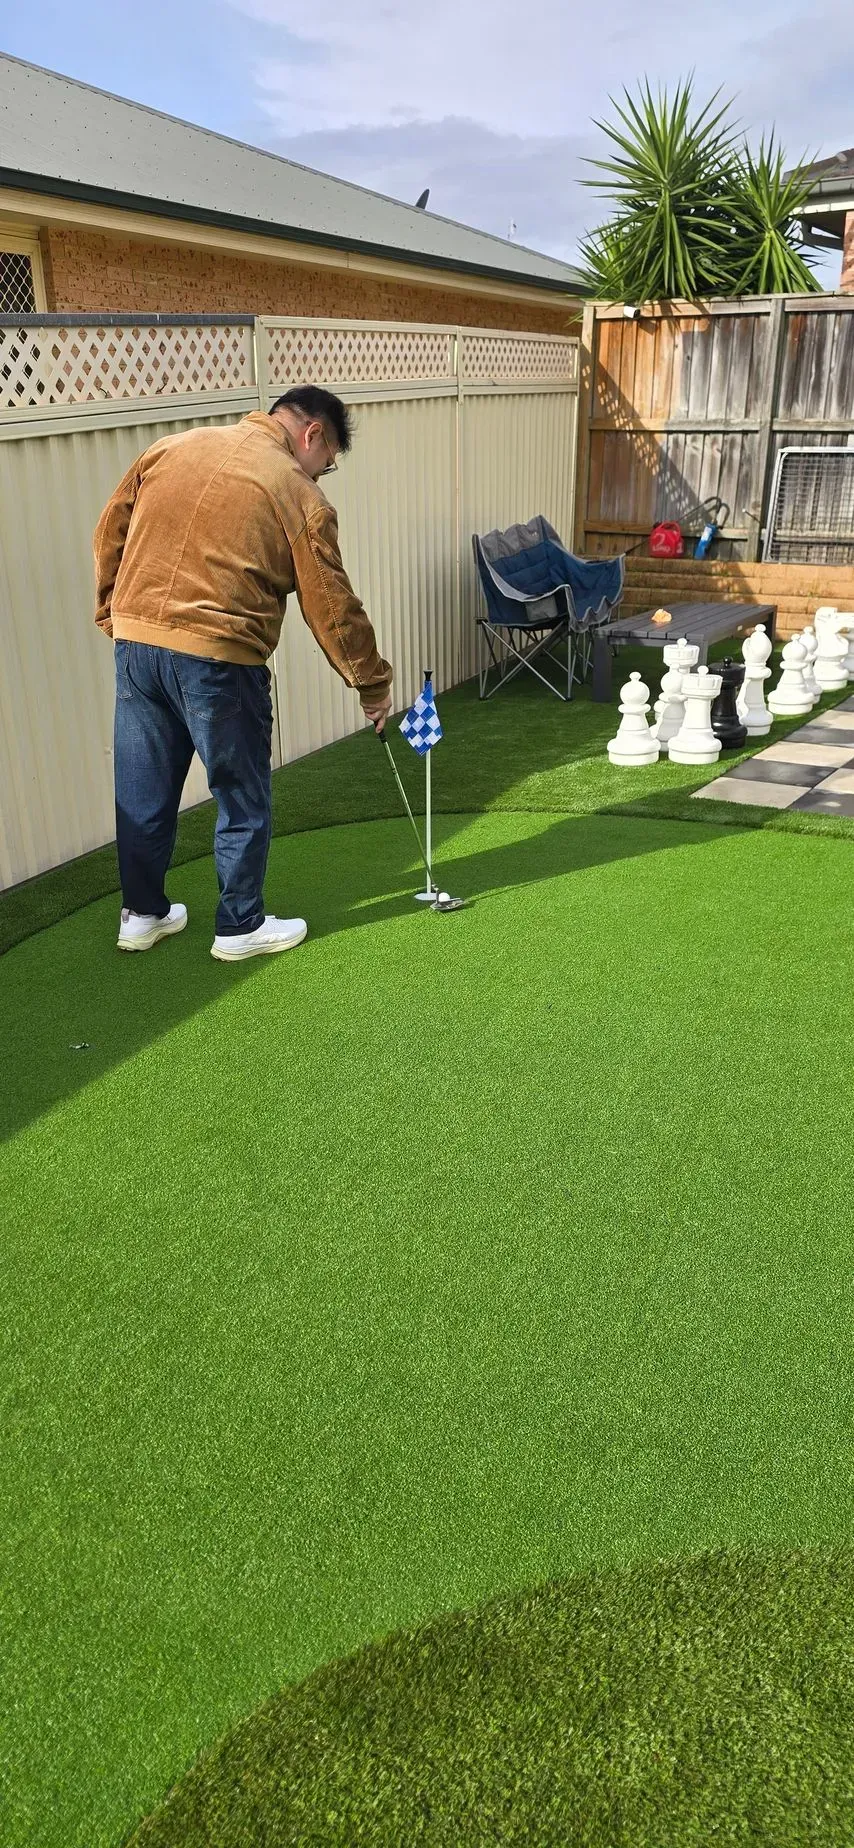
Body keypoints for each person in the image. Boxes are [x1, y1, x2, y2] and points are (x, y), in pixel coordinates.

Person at [94, 386, 393, 962]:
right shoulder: (295, 491)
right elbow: (331, 605)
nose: (321, 475)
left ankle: (143, 914)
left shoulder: (170, 448)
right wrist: (371, 684)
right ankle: (239, 926)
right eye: (326, 463)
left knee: (144, 789)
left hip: (138, 643)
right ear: (313, 435)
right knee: (240, 793)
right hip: (221, 655)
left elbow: (111, 530)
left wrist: (114, 610)